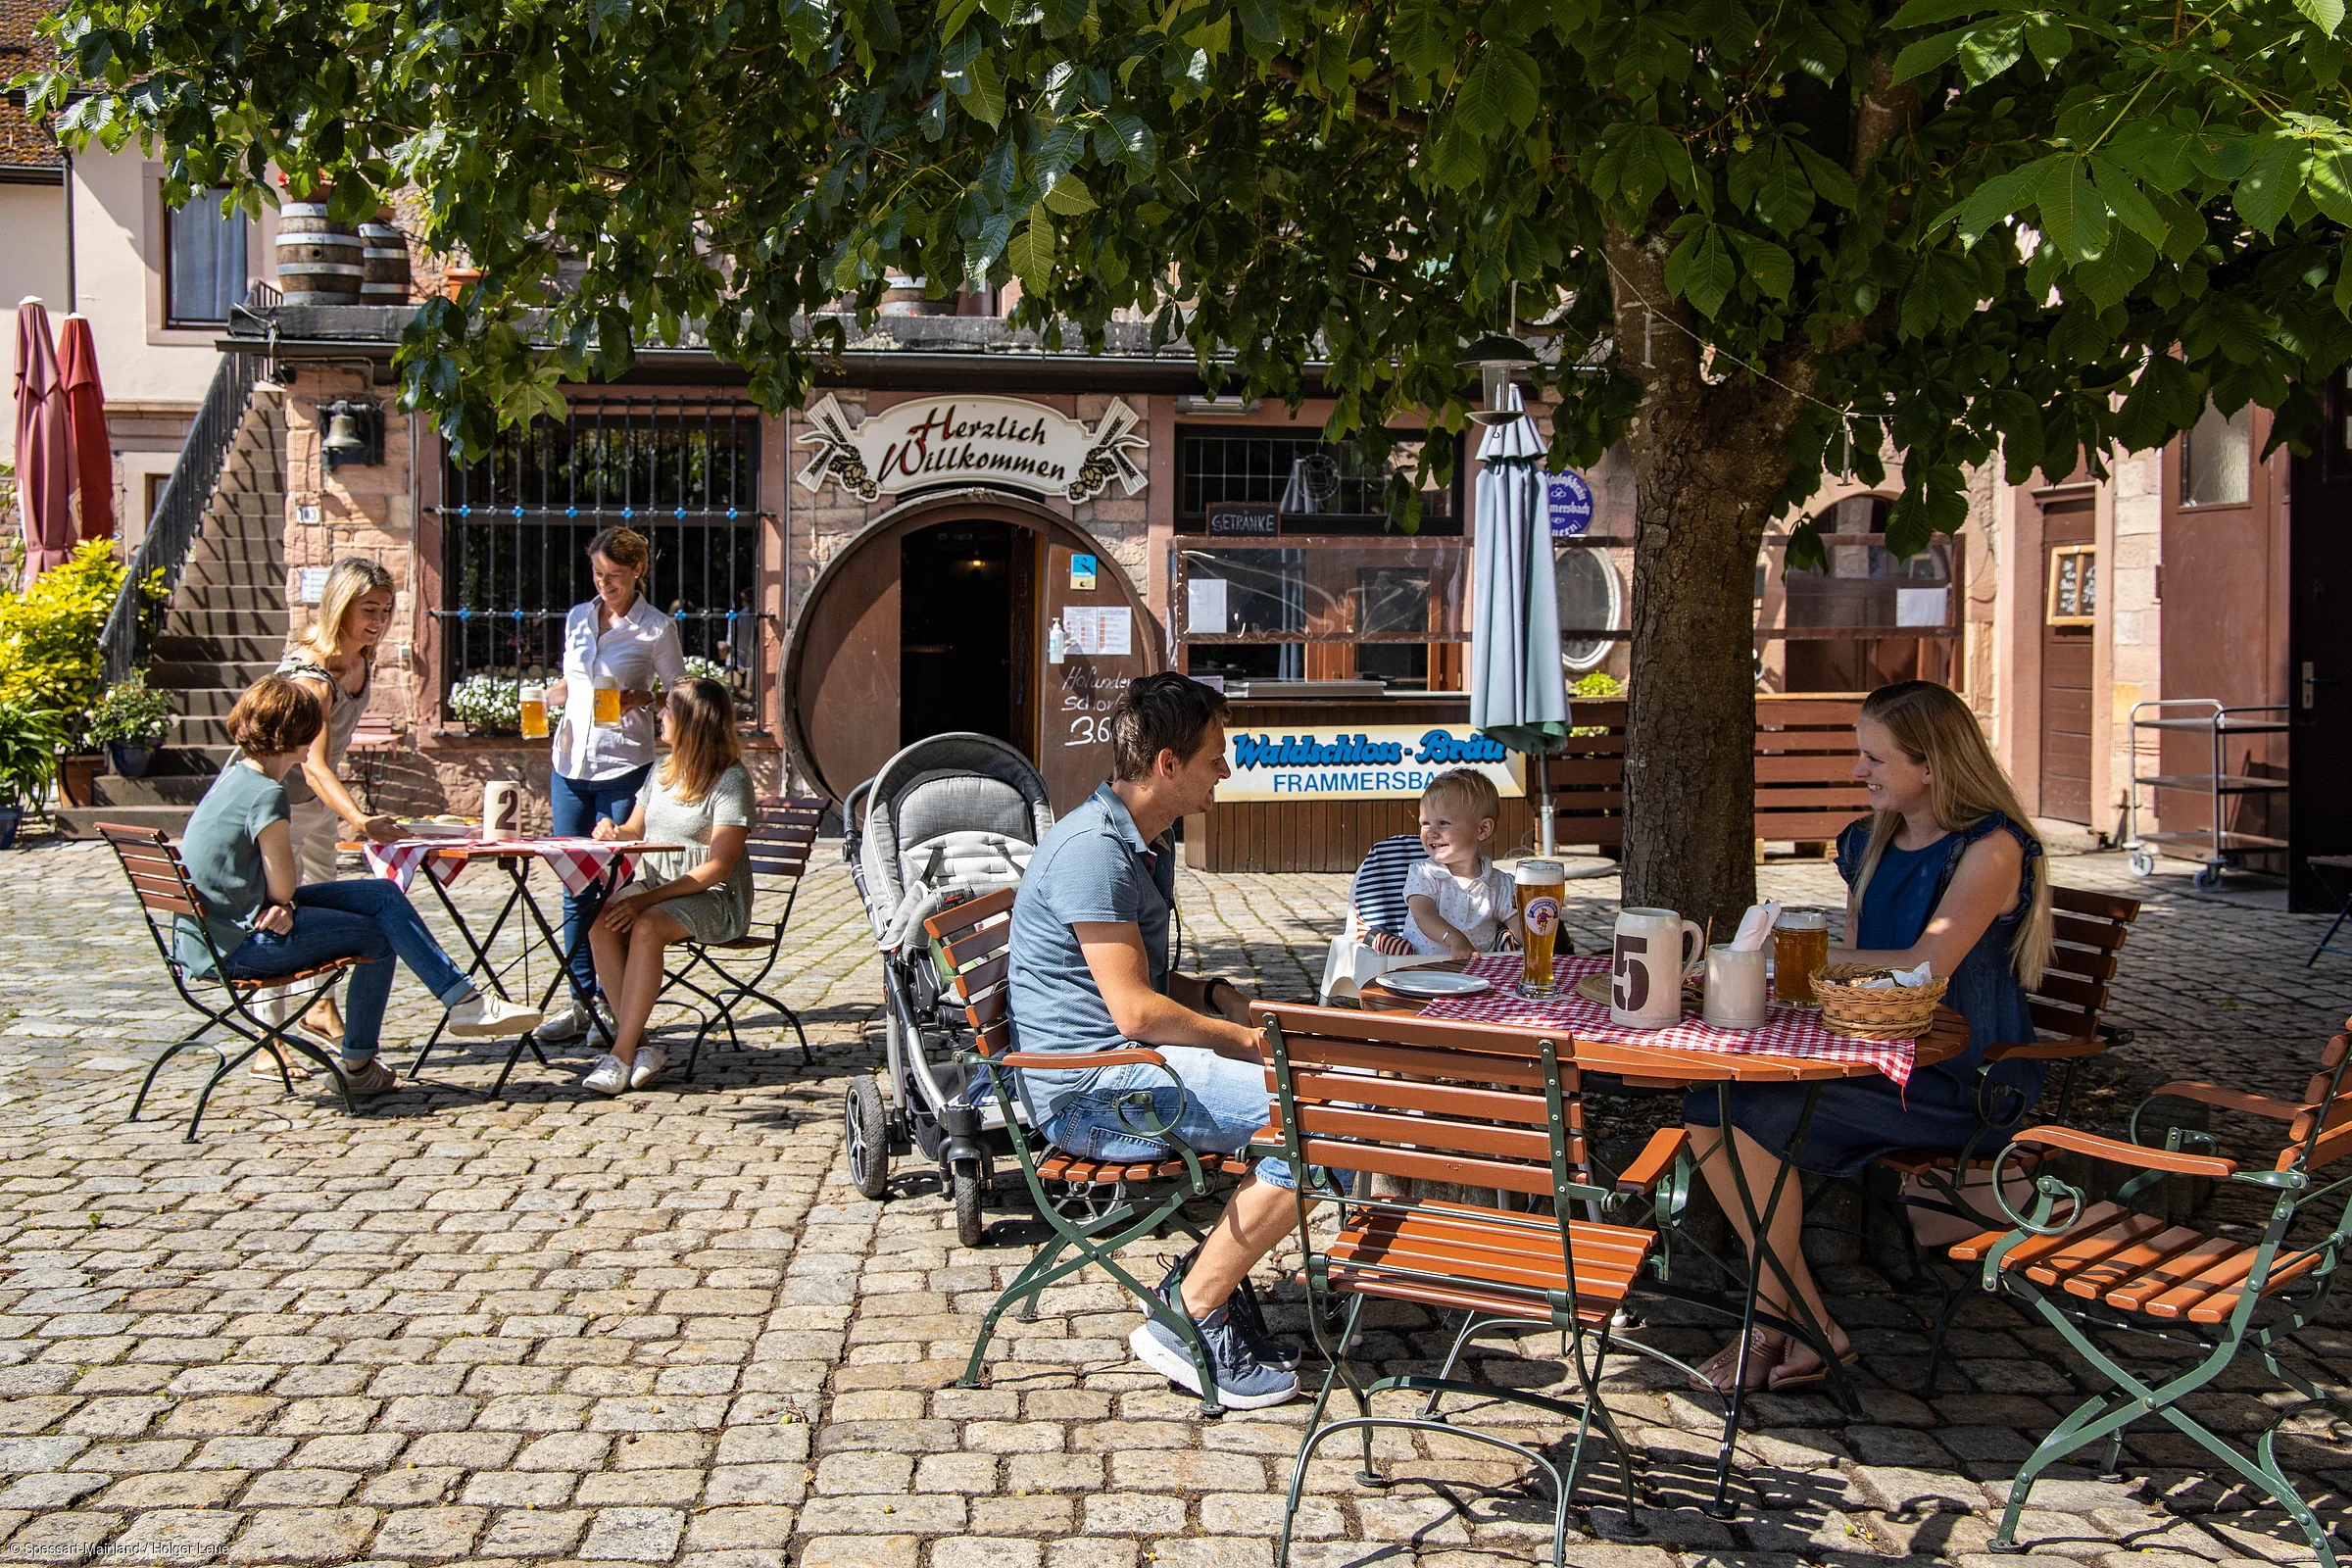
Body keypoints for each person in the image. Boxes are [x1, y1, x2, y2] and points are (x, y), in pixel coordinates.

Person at [1682, 679, 2053, 1393]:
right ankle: (1806, 1325)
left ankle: (1776, 1325)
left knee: (1733, 1116)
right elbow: (1856, 970)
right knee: (1711, 1104)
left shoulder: (1991, 847)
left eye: (1874, 759)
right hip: (1875, 1058)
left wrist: (1791, 950)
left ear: (1931, 766)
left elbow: (1924, 965)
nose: (1860, 772)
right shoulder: (1868, 840)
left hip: (1958, 1076)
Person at [1005, 672, 1304, 1410]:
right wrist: (1242, 1043)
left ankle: (1198, 1292)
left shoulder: (1139, 840)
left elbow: (1147, 979)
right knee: (1324, 1124)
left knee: (1319, 1103)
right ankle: (1191, 1312)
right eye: (1214, 757)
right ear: (1167, 765)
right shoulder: (1094, 852)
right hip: (1088, 1093)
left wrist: (1220, 997)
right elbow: (1135, 1012)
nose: (1226, 772)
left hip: (1124, 1069)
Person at [176, 677, 544, 1096]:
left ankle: (464, 1002)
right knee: (377, 937)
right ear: (301, 734)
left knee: (382, 894)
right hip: (238, 946)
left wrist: (284, 904)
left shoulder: (233, 778)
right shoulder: (267, 794)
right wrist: (284, 905)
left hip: (212, 932)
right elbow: (282, 890)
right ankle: (358, 1066)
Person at [535, 525, 687, 1047]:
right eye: (598, 575)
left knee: (616, 887)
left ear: (638, 571)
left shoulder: (656, 629)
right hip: (569, 764)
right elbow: (572, 685)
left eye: (615, 577)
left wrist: (640, 700)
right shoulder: (578, 618)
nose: (605, 586)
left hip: (623, 764)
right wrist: (541, 697)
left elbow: (679, 695)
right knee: (573, 886)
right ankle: (579, 1002)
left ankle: (612, 1000)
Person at [580, 677, 755, 1096]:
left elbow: (718, 867)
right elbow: (632, 830)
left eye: (668, 710)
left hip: (714, 899)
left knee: (646, 925)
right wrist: (612, 831)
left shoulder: (731, 781)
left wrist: (645, 899)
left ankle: (620, 1055)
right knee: (601, 922)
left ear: (692, 722)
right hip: (658, 889)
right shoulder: (661, 771)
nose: (659, 715)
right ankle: (640, 1046)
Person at [268, 557, 404, 1063]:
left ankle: (320, 1004)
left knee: (329, 903)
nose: (379, 621)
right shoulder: (313, 677)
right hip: (274, 803)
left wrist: (342, 815)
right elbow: (316, 766)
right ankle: (268, 1042)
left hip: (316, 806)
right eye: (368, 609)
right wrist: (361, 821)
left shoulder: (362, 661)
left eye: (386, 610)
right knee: (281, 909)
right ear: (340, 607)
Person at [1399, 768, 1524, 958]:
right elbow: (1423, 916)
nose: (1431, 832)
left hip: (1478, 973)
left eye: (1443, 823)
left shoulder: (1499, 883)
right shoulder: (1423, 873)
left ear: (1483, 829)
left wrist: (1540, 927)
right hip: (1420, 970)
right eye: (1425, 823)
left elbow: (1523, 932)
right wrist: (1455, 939)